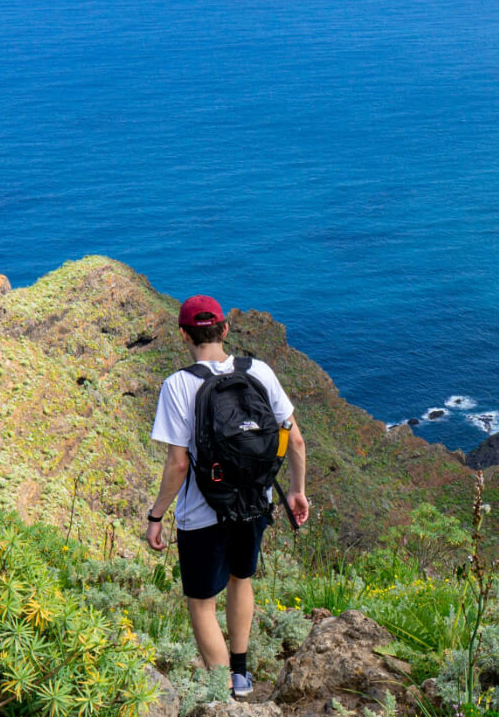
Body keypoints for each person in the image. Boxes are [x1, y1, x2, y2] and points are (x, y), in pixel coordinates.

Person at [145, 294, 311, 700]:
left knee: (201, 604)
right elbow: (297, 440)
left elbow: (179, 464)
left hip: (202, 512)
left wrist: (156, 516)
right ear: (225, 329)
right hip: (254, 502)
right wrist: (296, 491)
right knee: (242, 578)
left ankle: (225, 697)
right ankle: (241, 673)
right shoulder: (260, 372)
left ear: (184, 334)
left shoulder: (178, 385)